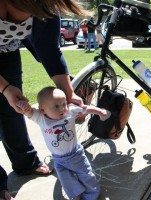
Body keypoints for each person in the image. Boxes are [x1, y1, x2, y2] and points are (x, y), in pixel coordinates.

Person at [0, 0, 87, 199]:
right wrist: (4, 88)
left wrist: (69, 94)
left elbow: (50, 52)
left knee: (12, 110)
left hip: (6, 52)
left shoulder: (44, 8)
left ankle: (25, 163)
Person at [17, 86, 111, 200]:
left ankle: (92, 194)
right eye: (56, 106)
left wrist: (100, 112)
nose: (62, 109)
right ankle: (76, 195)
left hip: (76, 155)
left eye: (64, 104)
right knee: (66, 179)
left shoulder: (70, 111)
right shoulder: (40, 118)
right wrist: (23, 106)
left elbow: (86, 108)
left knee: (86, 175)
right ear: (43, 110)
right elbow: (29, 112)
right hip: (58, 159)